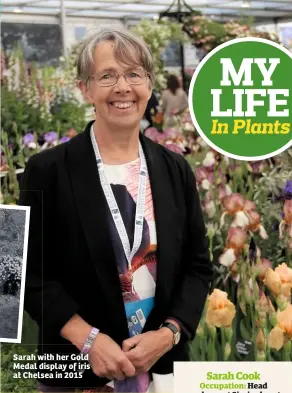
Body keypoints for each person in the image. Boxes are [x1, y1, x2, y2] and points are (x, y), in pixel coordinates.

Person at [19, 28, 212, 393]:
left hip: (163, 369)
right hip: (77, 372)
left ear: (150, 85)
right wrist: (88, 338)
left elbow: (197, 266)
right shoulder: (46, 169)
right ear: (84, 89)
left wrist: (169, 334)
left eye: (134, 74)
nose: (123, 87)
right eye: (107, 75)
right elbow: (23, 273)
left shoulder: (175, 169)